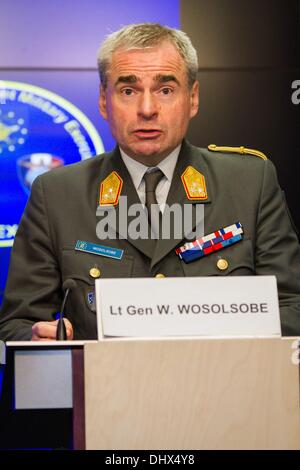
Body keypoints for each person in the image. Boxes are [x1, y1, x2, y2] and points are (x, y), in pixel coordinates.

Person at [0, 23, 300, 341]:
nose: (147, 109)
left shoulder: (250, 184)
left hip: (223, 384)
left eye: (165, 90)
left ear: (193, 98)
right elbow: (16, 324)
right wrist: (39, 339)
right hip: (106, 388)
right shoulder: (57, 194)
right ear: (104, 100)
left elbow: (293, 309)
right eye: (128, 91)